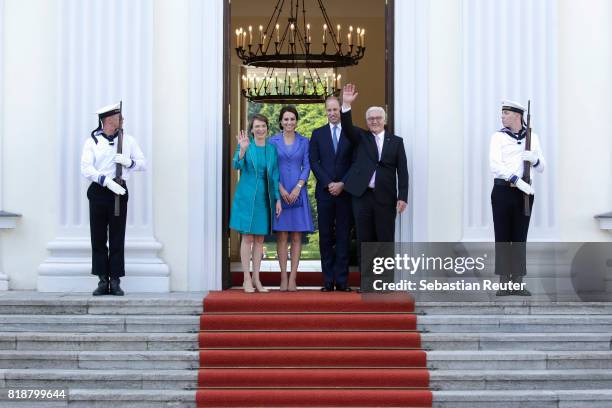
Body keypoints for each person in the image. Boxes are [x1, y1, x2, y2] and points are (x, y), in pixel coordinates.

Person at [80, 102, 146, 296]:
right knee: (98, 237)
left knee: (117, 236)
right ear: (108, 120)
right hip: (100, 190)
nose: (122, 120)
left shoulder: (129, 140)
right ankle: (102, 280)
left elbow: (143, 164)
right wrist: (106, 181)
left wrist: (129, 162)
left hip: (119, 192)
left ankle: (115, 280)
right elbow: (86, 168)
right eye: (119, 118)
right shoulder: (92, 141)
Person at [340, 83, 408, 246]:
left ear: (384, 120)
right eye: (371, 119)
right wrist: (347, 105)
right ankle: (367, 273)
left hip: (386, 197)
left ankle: (385, 273)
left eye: (378, 118)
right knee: (365, 240)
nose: (374, 121)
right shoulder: (361, 137)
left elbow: (403, 171)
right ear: (367, 121)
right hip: (363, 196)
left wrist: (403, 197)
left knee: (385, 240)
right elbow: (347, 127)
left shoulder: (397, 142)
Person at [490, 100, 546, 296]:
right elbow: (495, 165)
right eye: (502, 112)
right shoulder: (498, 137)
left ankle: (518, 281)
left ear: (517, 116)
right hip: (503, 191)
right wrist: (516, 179)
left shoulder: (532, 137)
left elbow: (541, 167)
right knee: (503, 236)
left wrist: (535, 159)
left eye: (506, 113)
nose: (502, 116)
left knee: (520, 237)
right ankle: (504, 281)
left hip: (524, 194)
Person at [229, 114, 282, 293]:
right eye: (257, 126)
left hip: (264, 198)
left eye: (263, 126)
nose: (260, 129)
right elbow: (236, 165)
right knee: (247, 237)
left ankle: (257, 279)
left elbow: (275, 175)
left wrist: (277, 199)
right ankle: (246, 279)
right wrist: (242, 150)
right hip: (246, 196)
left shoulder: (272, 149)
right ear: (252, 129)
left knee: (260, 239)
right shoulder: (246, 145)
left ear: (267, 128)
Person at [310, 96, 354, 292]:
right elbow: (314, 162)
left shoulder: (351, 133)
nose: (332, 113)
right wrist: (329, 183)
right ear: (325, 111)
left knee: (344, 236)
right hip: (325, 193)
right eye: (329, 110)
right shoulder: (317, 134)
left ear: (340, 110)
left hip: (345, 192)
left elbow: (355, 163)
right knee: (326, 237)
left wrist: (343, 183)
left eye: (335, 109)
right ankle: (328, 280)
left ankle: (342, 281)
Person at [269, 106, 315, 292]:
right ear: (281, 121)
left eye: (292, 119)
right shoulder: (273, 141)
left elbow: (307, 165)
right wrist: (280, 189)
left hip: (299, 190)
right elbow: (271, 167)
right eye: (286, 119)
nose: (289, 122)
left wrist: (298, 187)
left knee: (296, 236)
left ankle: (293, 278)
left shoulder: (305, 141)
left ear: (296, 121)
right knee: (282, 236)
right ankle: (282, 277)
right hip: (279, 190)